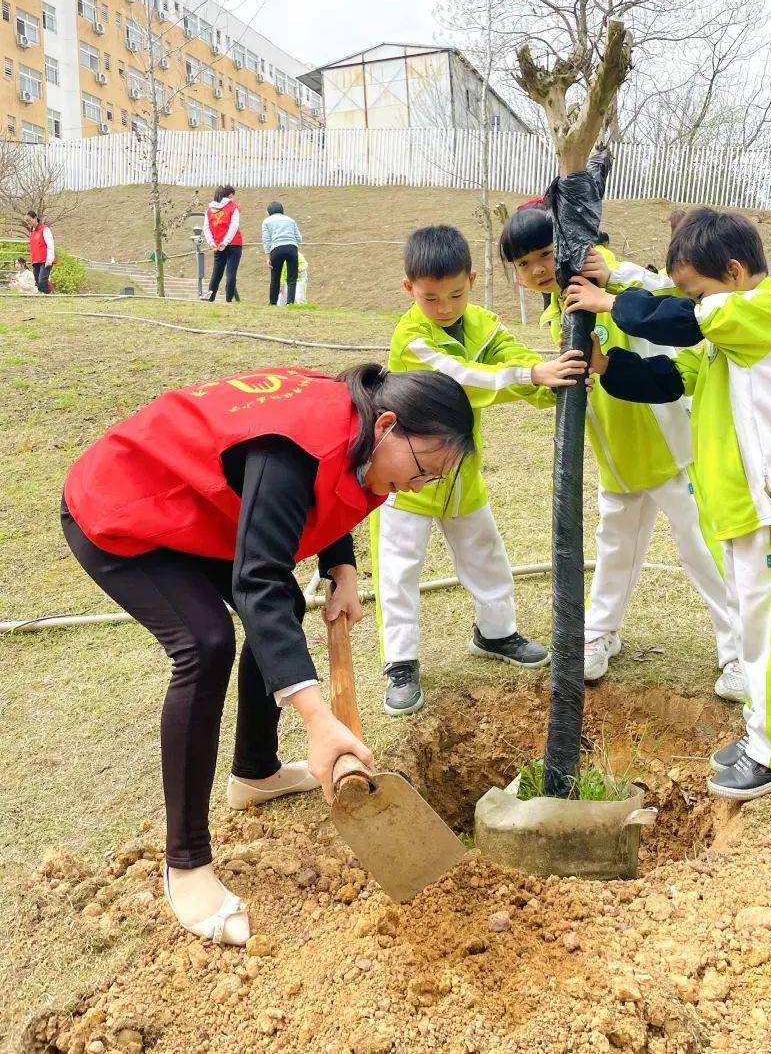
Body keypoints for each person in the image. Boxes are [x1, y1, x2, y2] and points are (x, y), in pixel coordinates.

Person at [62, 363, 475, 946]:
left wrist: (342, 566)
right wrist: (318, 720)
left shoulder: (358, 424)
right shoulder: (294, 448)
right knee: (205, 644)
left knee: (277, 602)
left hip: (203, 507)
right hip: (126, 506)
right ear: (387, 426)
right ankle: (186, 864)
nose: (417, 486)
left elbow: (331, 482)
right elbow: (258, 572)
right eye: (424, 469)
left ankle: (255, 773)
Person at [574, 207, 771, 802]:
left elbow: (683, 316)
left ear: (734, 272)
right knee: (758, 632)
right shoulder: (722, 338)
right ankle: (763, 738)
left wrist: (614, 295)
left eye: (699, 291)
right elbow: (667, 376)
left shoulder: (769, 310)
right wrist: (610, 366)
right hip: (738, 509)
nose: (692, 303)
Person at [499, 202, 741, 698]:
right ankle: (601, 633)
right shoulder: (556, 310)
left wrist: (614, 281)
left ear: (571, 247)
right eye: (524, 264)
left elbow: (677, 298)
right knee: (616, 548)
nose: (538, 270)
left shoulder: (609, 279)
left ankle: (739, 649)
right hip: (617, 456)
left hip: (672, 451)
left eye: (545, 254)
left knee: (702, 551)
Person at [373, 224, 587, 716]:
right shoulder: (412, 337)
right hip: (404, 481)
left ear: (472, 280)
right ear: (409, 289)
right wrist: (533, 376)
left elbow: (510, 355)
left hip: (461, 475)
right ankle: (401, 663)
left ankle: (495, 633)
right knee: (399, 572)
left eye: (455, 294)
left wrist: (549, 383)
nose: (444, 306)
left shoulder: (481, 323)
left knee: (486, 553)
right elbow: (462, 378)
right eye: (430, 297)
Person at [203, 186, 242, 303]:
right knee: (231, 273)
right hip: (233, 243)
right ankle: (229, 300)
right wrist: (226, 242)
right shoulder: (232, 206)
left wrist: (211, 242)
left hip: (217, 244)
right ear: (228, 195)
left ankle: (210, 298)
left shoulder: (209, 210)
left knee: (216, 273)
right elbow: (234, 226)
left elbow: (206, 228)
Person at [262, 202, 302, 307]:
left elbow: (266, 241)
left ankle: (273, 303)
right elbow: (299, 238)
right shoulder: (290, 220)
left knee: (275, 277)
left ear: (269, 212)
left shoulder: (266, 221)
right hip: (292, 248)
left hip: (276, 249)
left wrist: (268, 258)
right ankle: (290, 303)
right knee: (292, 277)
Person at [26, 210, 54, 293]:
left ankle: (49, 293)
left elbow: (50, 245)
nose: (28, 222)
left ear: (35, 218)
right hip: (36, 260)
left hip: (45, 259)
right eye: (27, 221)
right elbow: (33, 247)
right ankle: (44, 296)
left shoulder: (45, 229)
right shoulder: (32, 231)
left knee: (42, 281)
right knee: (37, 282)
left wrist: (50, 259)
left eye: (29, 220)